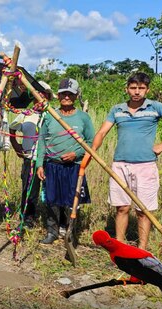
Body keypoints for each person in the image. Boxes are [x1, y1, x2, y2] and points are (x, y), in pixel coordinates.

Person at [92, 72, 162, 250]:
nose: (137, 92)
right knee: (122, 207)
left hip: (145, 166)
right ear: (127, 89)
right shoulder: (117, 110)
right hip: (120, 165)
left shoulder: (155, 107)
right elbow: (101, 133)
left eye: (141, 88)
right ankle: (120, 246)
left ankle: (142, 249)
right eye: (133, 88)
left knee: (143, 211)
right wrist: (92, 151)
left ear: (147, 90)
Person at [35, 78, 95, 244]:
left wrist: (76, 154)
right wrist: (40, 164)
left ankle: (70, 232)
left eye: (70, 94)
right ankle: (52, 232)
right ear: (58, 96)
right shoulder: (50, 116)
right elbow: (42, 140)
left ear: (76, 97)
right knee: (51, 199)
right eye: (63, 94)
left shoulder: (83, 118)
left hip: (74, 166)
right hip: (52, 165)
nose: (66, 97)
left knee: (71, 200)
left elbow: (91, 142)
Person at [9, 81, 55, 228]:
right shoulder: (26, 115)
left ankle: (52, 222)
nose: (41, 97)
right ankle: (27, 220)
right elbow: (12, 130)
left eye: (44, 94)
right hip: (31, 159)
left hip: (50, 160)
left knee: (52, 192)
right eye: (38, 94)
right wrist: (17, 147)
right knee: (29, 191)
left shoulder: (54, 115)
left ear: (48, 96)